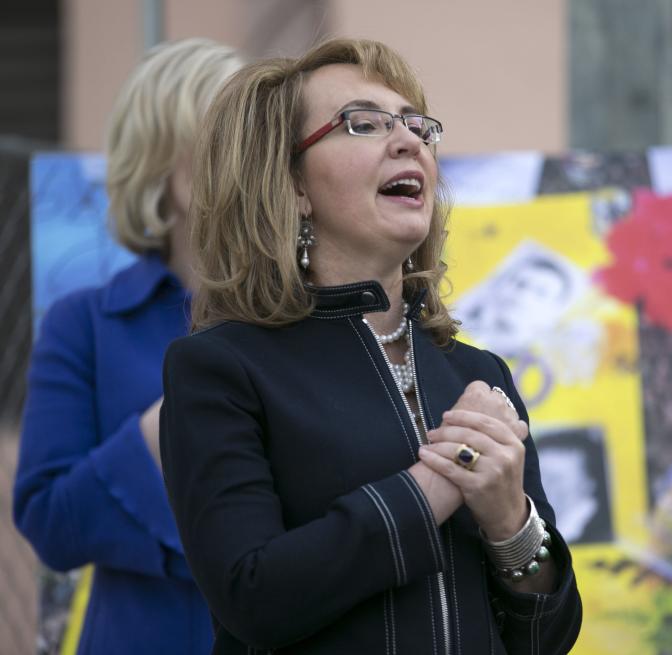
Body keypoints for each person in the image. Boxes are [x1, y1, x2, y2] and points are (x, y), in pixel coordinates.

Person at [159, 38, 582, 654]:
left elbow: (548, 636)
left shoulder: (477, 373)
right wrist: (434, 485)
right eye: (364, 123)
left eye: (417, 125)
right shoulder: (221, 368)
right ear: (292, 184)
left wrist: (509, 522)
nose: (409, 139)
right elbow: (252, 596)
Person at [13, 39, 243, 655]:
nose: (246, 159)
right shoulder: (84, 323)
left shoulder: (310, 319)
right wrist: (165, 426)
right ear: (160, 163)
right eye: (222, 135)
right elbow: (49, 522)